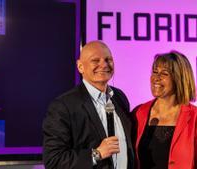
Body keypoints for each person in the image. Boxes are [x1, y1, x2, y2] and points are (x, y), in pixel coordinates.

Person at [43, 41, 134, 169]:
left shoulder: (119, 98)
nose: (103, 64)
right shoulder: (63, 106)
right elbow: (54, 160)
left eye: (108, 59)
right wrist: (97, 154)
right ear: (80, 67)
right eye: (95, 60)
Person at [133, 51, 197, 169]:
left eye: (164, 74)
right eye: (155, 72)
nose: (156, 78)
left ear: (179, 79)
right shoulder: (139, 112)